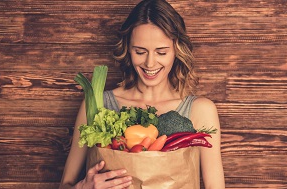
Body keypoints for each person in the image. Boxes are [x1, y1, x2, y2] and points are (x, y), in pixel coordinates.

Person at [59, 0, 225, 188]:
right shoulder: (97, 106)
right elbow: (65, 184)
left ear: (177, 51)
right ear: (128, 49)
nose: (150, 63)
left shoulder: (200, 110)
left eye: (161, 52)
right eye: (140, 51)